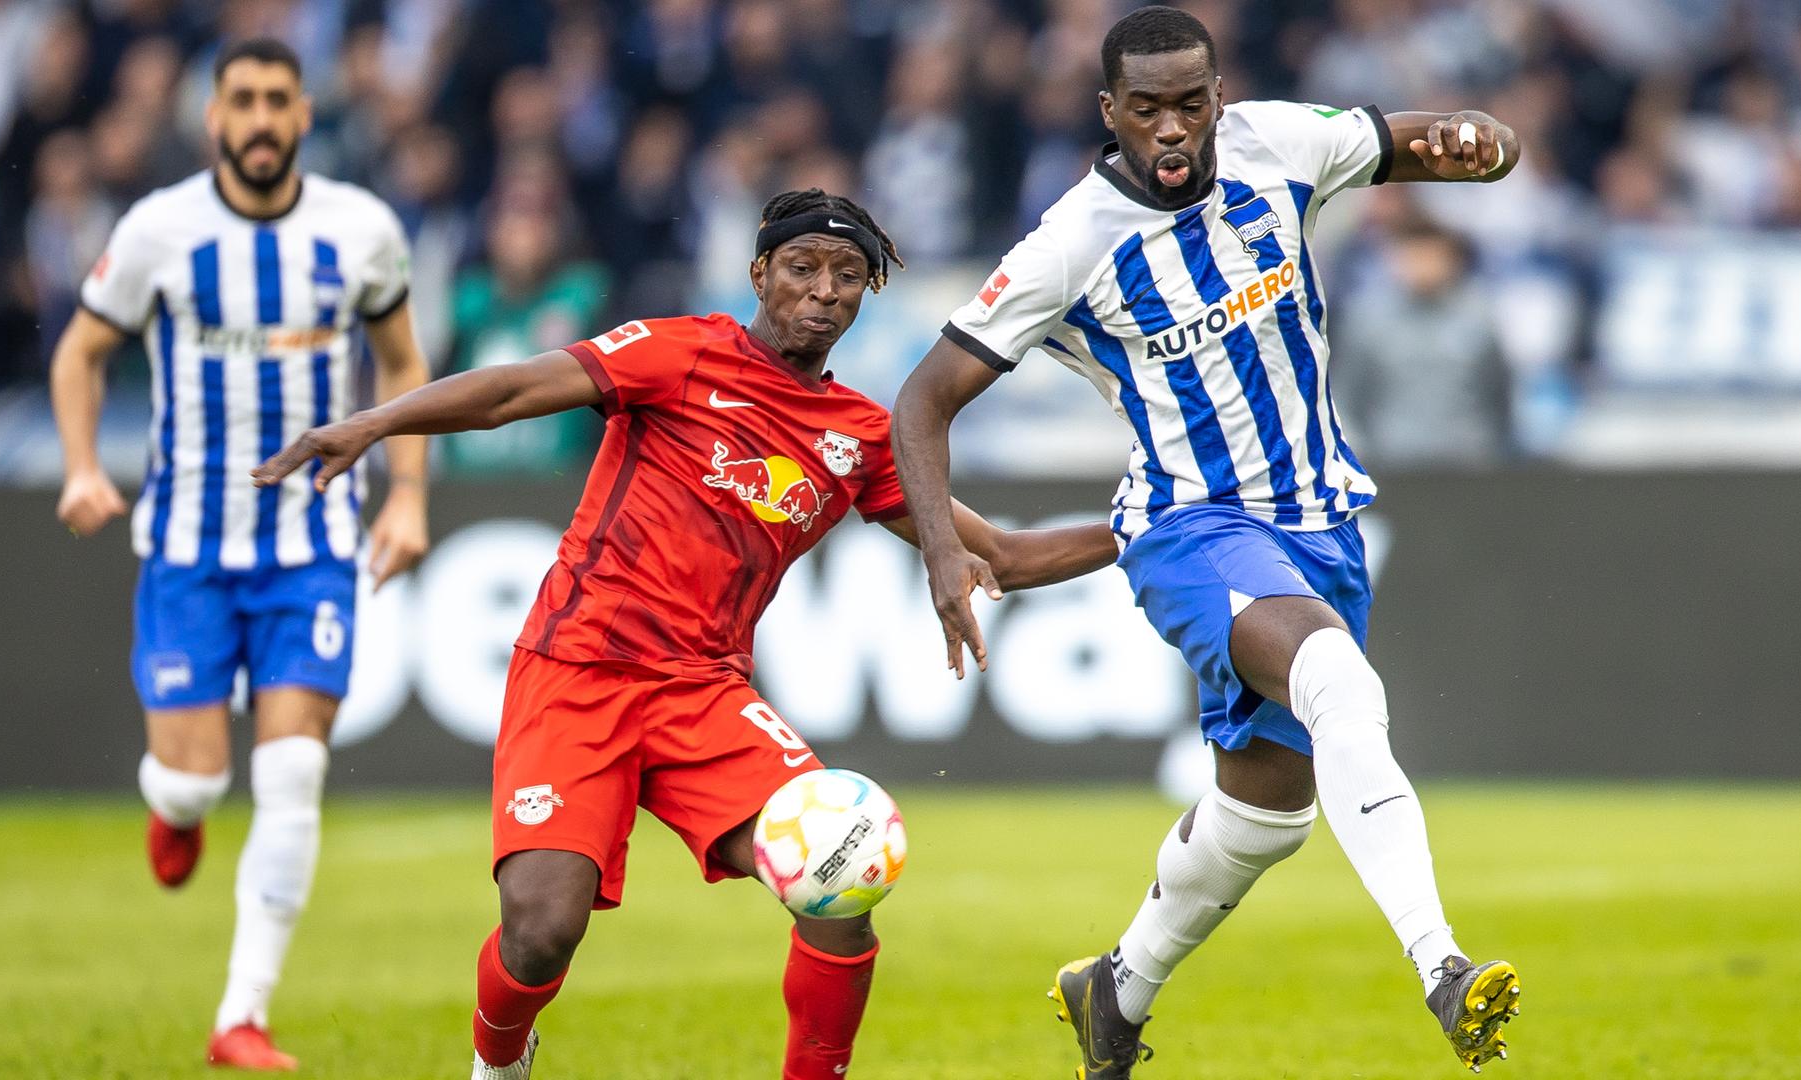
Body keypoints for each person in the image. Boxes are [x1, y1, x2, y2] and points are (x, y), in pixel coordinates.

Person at [253, 188, 1119, 1080]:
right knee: (543, 931)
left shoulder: (859, 437)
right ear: (758, 274)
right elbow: (510, 391)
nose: (824, 291)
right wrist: (372, 421)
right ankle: (499, 1059)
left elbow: (1003, 557)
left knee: (838, 872)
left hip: (703, 692)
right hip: (577, 668)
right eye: (803, 268)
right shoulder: (679, 353)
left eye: (848, 276)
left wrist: (1148, 529)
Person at [892, 8, 1524, 1076]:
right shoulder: (1071, 244)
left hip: (1319, 521)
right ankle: (1443, 966)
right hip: (1190, 526)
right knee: (1340, 687)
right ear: (1110, 114)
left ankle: (1115, 991)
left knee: (1266, 811)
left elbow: (1434, 140)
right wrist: (944, 551)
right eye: (1147, 111)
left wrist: (1483, 143)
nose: (1173, 130)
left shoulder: (1281, 145)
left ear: (1219, 95)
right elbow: (921, 400)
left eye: (1191, 103)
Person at [48, 38, 430, 1071]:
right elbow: (82, 351)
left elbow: (401, 366)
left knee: (296, 767)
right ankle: (172, 811)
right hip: (188, 547)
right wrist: (82, 464)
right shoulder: (157, 231)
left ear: (304, 115)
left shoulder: (361, 231)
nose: (260, 120)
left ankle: (241, 1017)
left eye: (277, 101)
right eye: (242, 102)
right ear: (212, 118)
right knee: (192, 785)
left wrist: (406, 499)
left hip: (313, 543)